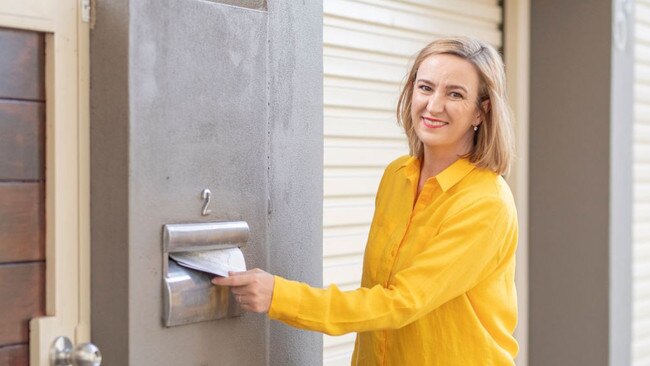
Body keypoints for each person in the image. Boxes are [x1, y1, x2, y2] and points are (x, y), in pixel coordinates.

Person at [213, 36, 519, 365]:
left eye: (455, 94)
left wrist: (280, 296)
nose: (433, 105)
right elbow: (376, 305)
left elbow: (401, 302)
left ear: (480, 111)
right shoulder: (397, 177)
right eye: (426, 88)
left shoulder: (486, 203)